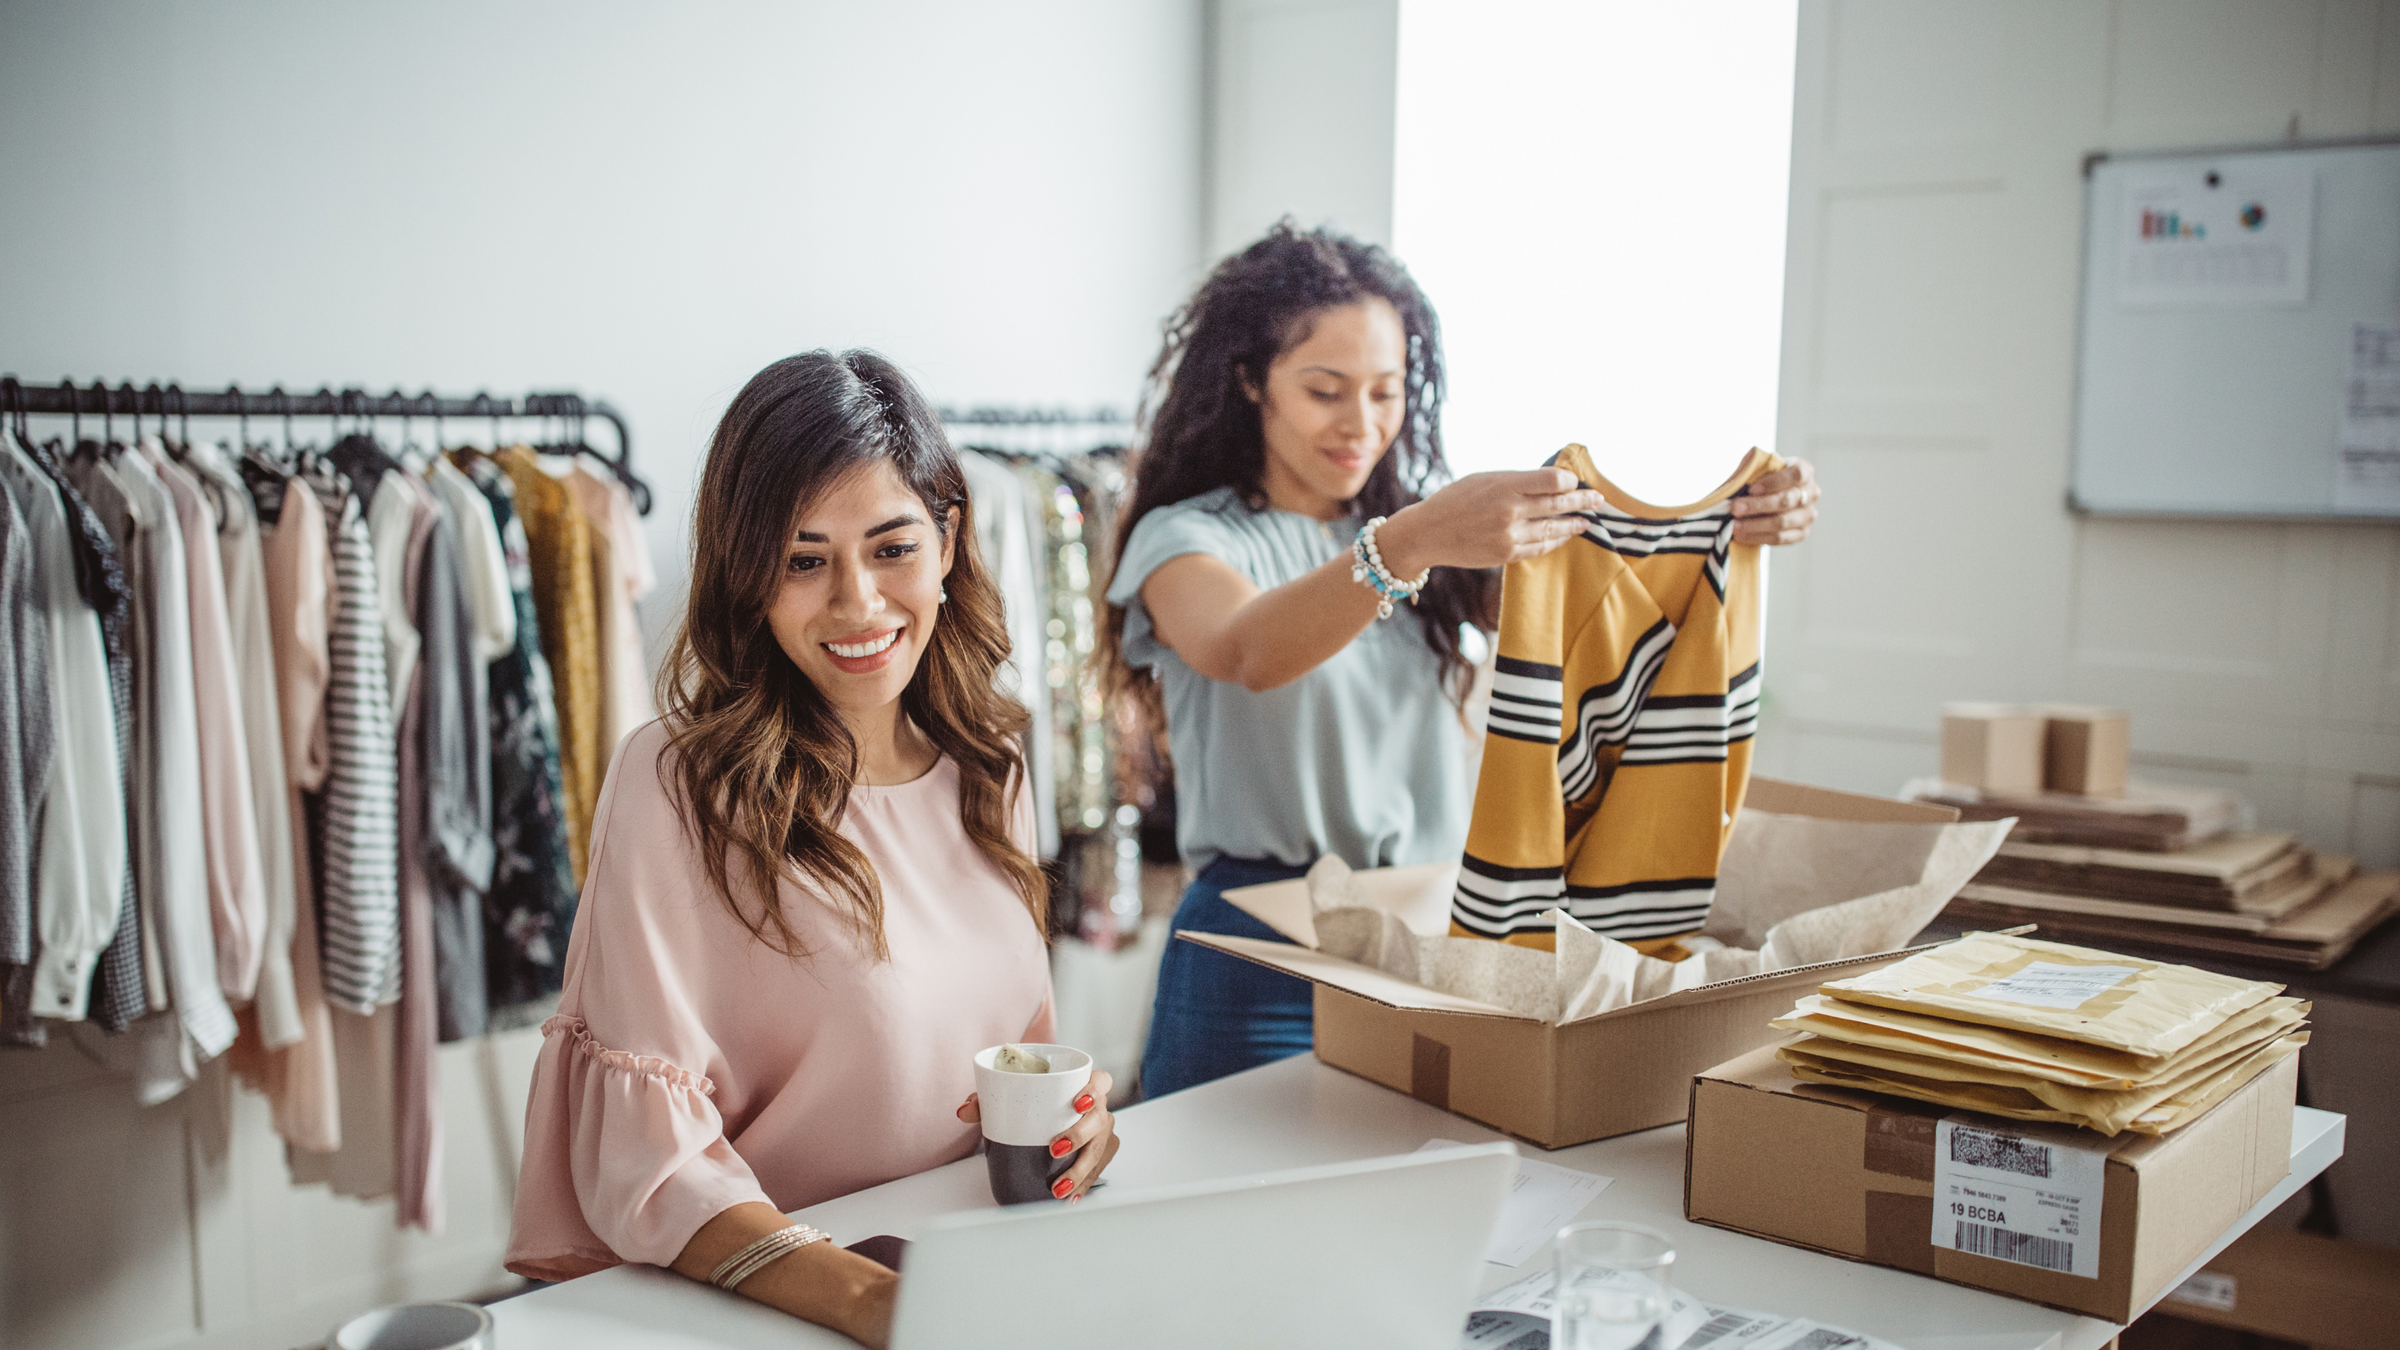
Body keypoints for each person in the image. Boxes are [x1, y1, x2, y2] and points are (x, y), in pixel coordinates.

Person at [1104, 223, 1821, 1098]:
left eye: (1386, 391)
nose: (1360, 425)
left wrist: (1738, 521)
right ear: (1251, 381)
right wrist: (1411, 542)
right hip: (1258, 951)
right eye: (1325, 390)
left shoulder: (1431, 541)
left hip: (1428, 939)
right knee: (1217, 1212)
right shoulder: (1188, 538)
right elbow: (1248, 649)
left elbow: (1607, 603)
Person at [506, 351, 1121, 1348]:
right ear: (750, 576)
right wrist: (876, 1306)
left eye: (891, 548)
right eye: (804, 559)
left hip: (979, 1281)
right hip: (777, 1312)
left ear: (949, 540)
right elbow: (650, 1164)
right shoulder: (676, 786)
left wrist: (1076, 1126)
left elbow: (1010, 1059)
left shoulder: (990, 761)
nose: (858, 604)